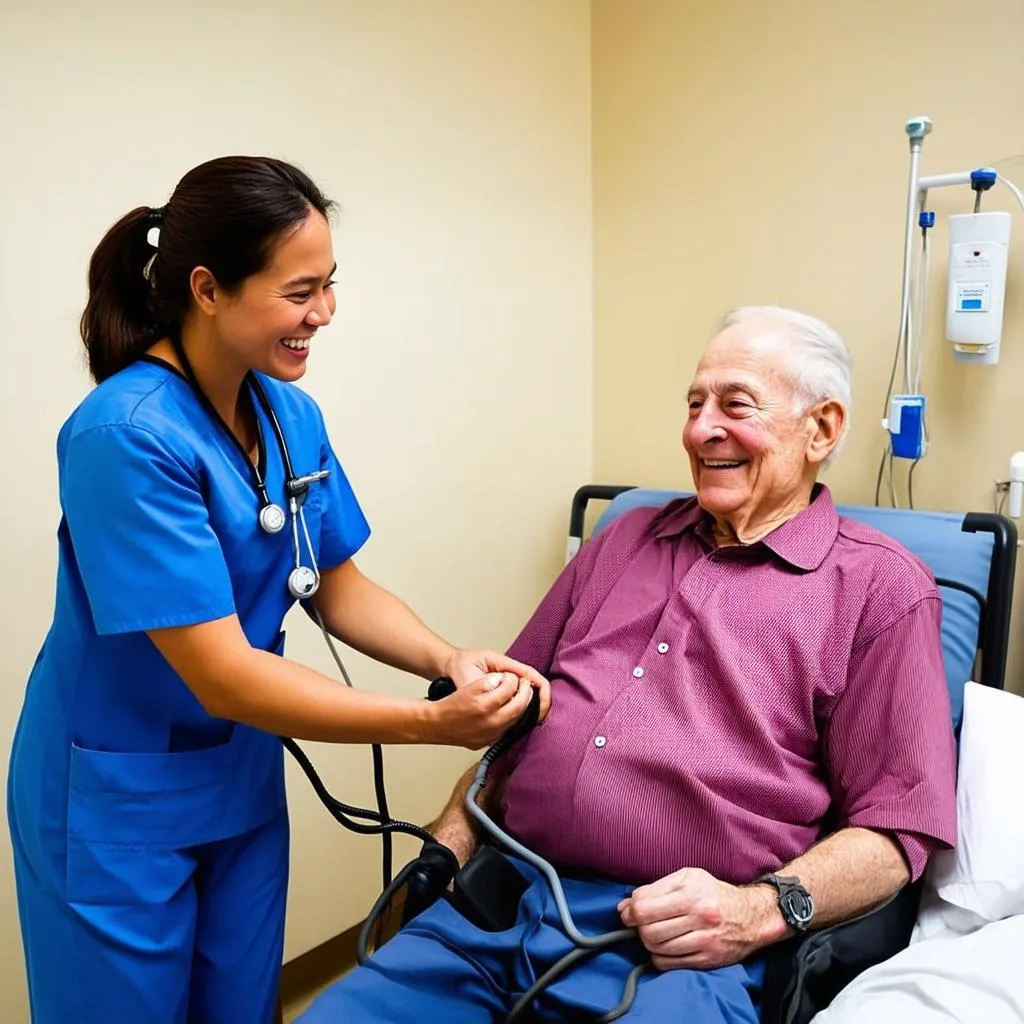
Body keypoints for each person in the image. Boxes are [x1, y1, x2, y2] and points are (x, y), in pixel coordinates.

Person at [297, 306, 958, 1023]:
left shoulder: (879, 589)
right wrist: (449, 841)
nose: (701, 429)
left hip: (676, 954)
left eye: (736, 405)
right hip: (496, 909)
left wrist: (758, 910)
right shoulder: (624, 539)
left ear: (821, 429)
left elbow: (900, 831)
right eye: (694, 404)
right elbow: (513, 732)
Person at [6, 155, 549, 1024]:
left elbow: (340, 588)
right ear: (208, 289)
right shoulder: (125, 435)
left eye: (329, 286)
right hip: (115, 801)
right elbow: (221, 673)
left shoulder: (289, 415)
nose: (324, 314)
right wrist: (427, 723)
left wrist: (448, 658)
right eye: (300, 291)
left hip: (237, 778)